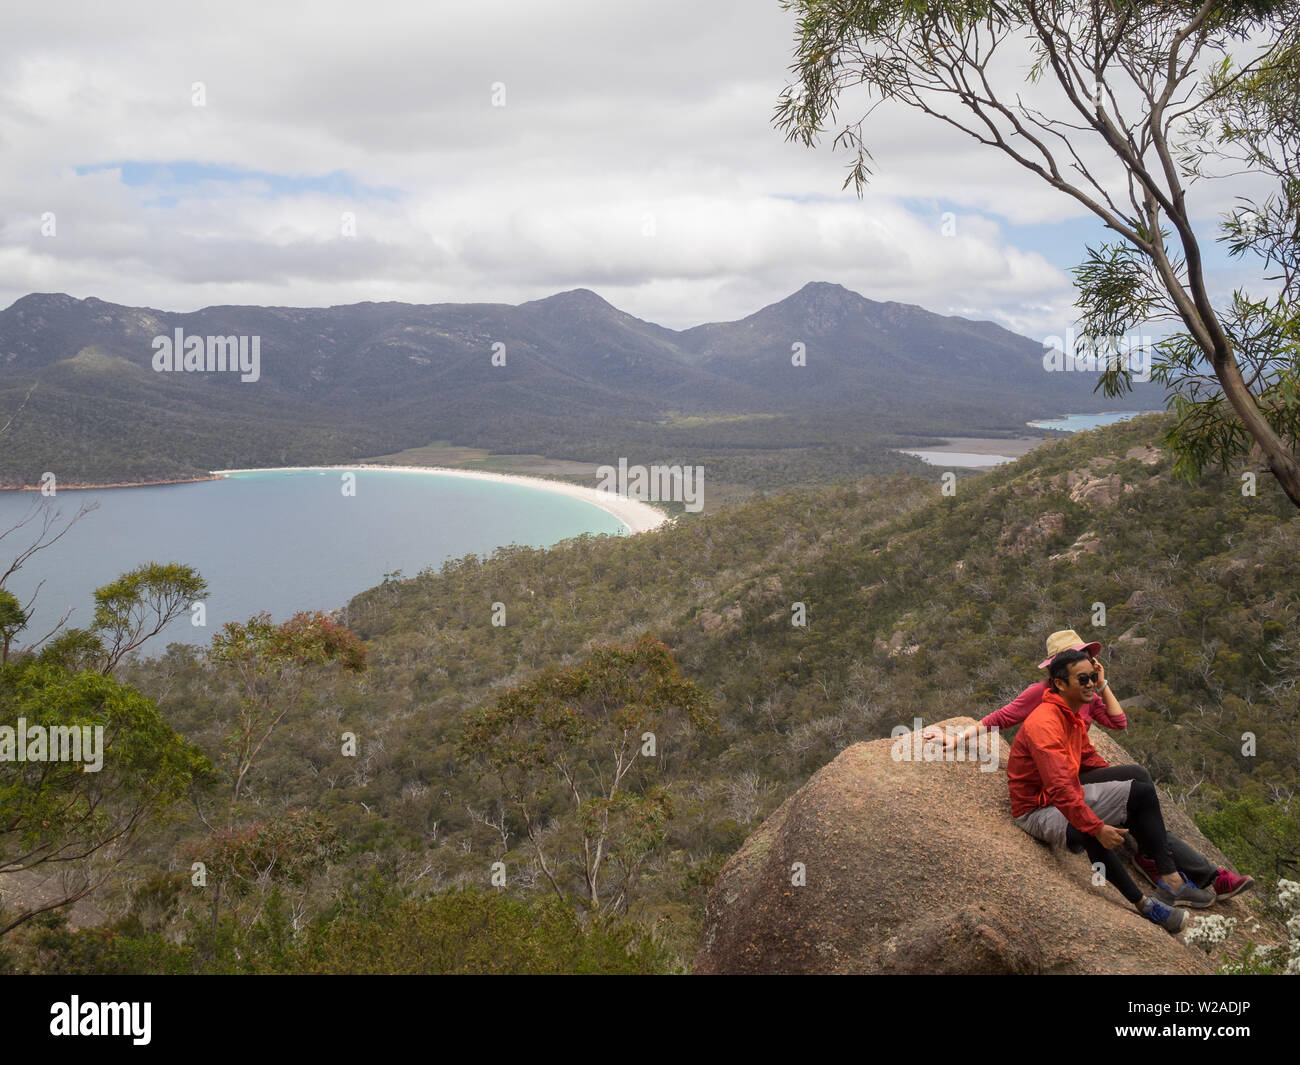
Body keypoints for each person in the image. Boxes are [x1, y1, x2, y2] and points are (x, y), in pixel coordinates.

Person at [926, 629, 1253, 901]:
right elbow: (1002, 717)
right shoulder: (1040, 695)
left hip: (1079, 767)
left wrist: (1102, 683)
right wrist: (956, 740)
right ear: (1059, 671)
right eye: (1078, 660)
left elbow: (1119, 723)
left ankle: (1163, 860)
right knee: (1137, 796)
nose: (1087, 667)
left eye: (1088, 661)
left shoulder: (1085, 695)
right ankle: (1189, 871)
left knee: (1138, 783)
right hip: (1062, 774)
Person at [1006, 648, 1215, 933]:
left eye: (1093, 677)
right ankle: (1146, 905)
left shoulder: (1070, 713)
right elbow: (1059, 790)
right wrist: (1097, 825)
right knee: (1087, 826)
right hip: (1038, 808)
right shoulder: (1045, 723)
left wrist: (1119, 791)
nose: (1092, 683)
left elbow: (1088, 758)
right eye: (1083, 679)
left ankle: (1171, 881)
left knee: (1138, 790)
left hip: (1063, 792)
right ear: (1060, 684)